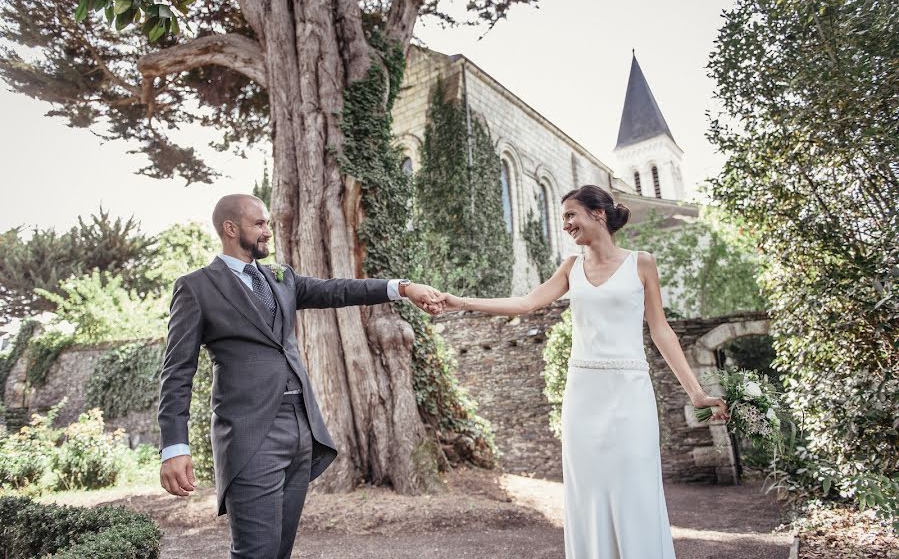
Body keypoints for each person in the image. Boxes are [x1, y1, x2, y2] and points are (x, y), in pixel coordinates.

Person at [440, 185, 728, 558]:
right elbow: (527, 303)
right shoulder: (570, 267)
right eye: (563, 219)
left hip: (629, 389)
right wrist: (459, 302)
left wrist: (697, 393)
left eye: (570, 215)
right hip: (582, 392)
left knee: (634, 485)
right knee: (587, 490)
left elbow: (661, 331)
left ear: (599, 214)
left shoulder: (642, 262)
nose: (565, 225)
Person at [157, 193, 443, 558]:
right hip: (250, 435)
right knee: (256, 553)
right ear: (231, 228)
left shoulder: (281, 277)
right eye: (259, 224)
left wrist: (403, 289)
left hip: (302, 431)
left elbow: (337, 290)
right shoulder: (196, 287)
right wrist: (174, 447)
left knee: (279, 551)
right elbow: (177, 370)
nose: (267, 232)